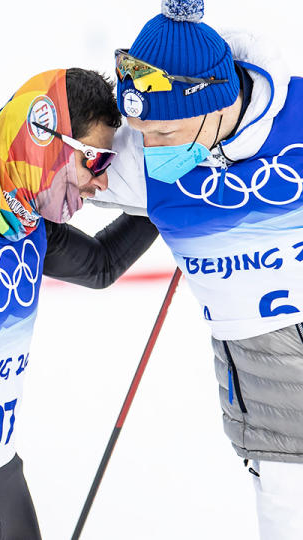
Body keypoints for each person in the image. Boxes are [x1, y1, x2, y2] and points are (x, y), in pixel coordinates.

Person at [90, 1, 303, 537]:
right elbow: (32, 164)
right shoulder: (142, 159)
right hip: (267, 383)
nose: (152, 146)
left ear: (217, 103)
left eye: (167, 132)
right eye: (142, 130)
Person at [0, 68, 160, 540]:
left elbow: (102, 264)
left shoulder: (30, 228)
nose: (99, 183)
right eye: (95, 162)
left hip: (3, 473)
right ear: (45, 141)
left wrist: (176, 198)